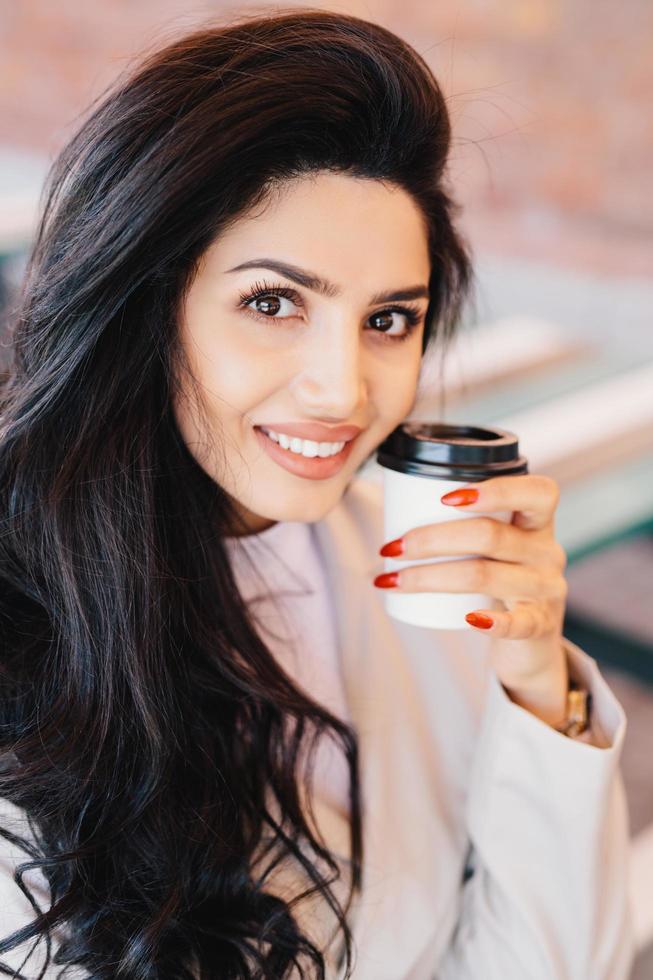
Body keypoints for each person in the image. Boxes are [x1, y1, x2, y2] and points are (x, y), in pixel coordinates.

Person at [0, 8, 634, 979]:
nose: (343, 389)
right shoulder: (28, 626)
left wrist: (537, 687)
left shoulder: (410, 570)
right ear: (144, 305)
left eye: (387, 318)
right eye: (271, 302)